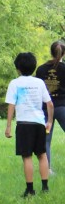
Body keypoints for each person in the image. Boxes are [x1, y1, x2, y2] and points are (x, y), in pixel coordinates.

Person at [6, 52, 54, 197]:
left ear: (17, 68)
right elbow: (50, 104)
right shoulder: (39, 83)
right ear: (33, 67)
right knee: (42, 155)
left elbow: (11, 105)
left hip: (24, 124)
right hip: (39, 123)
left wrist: (8, 126)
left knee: (27, 157)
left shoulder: (15, 83)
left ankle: (30, 189)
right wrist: (49, 121)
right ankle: (45, 187)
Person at [35, 39, 65, 176]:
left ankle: (47, 169)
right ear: (63, 53)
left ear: (51, 52)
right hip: (62, 107)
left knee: (46, 140)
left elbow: (38, 90)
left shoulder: (41, 69)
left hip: (45, 109)